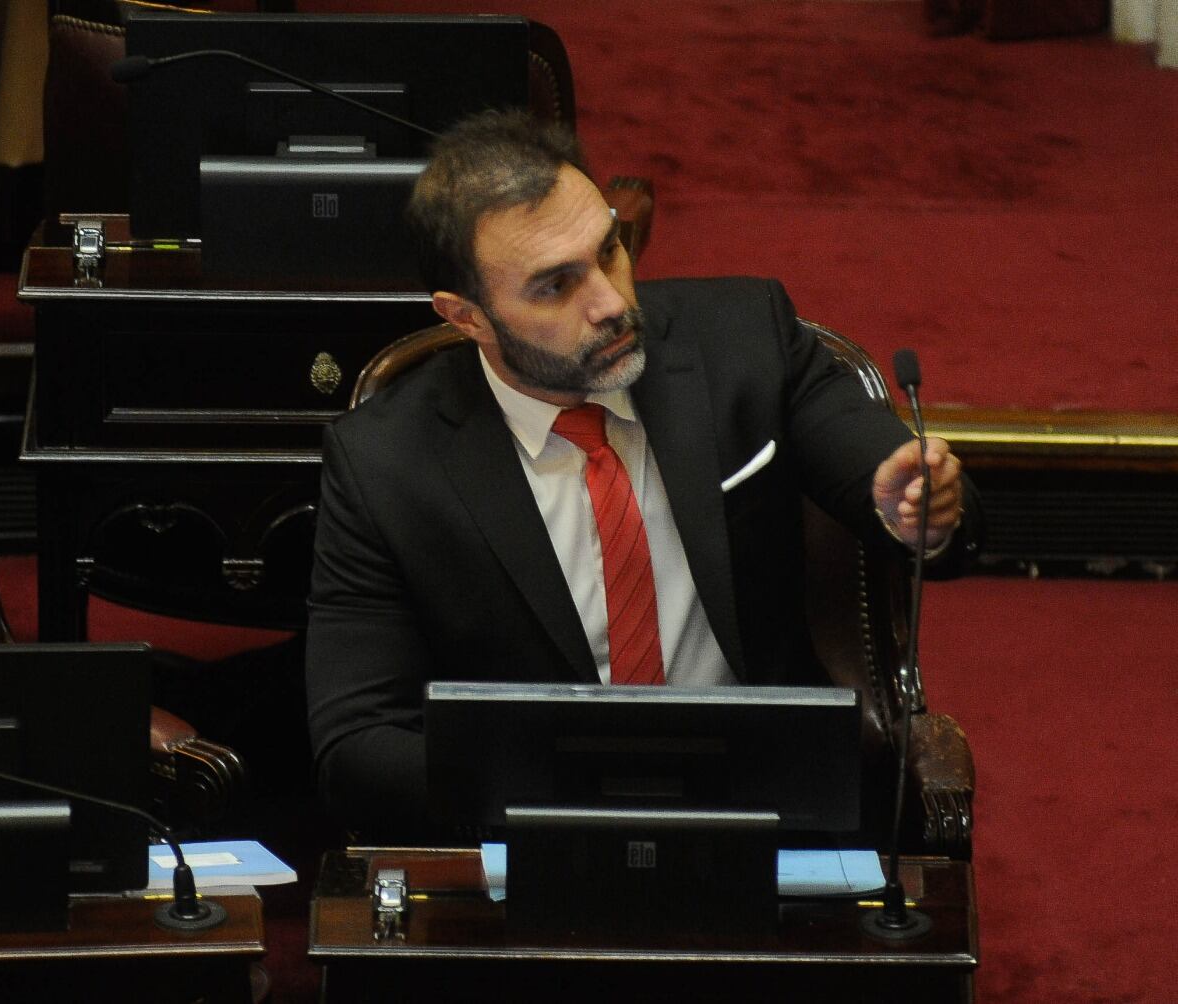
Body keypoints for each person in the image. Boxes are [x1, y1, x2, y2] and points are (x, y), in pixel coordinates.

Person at [303, 109, 977, 838]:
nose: (612, 302)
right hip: (530, 834)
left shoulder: (746, 340)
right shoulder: (385, 462)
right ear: (467, 317)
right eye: (554, 287)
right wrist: (578, 788)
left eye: (611, 251)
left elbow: (902, 483)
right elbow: (356, 749)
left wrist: (924, 509)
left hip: (771, 809)